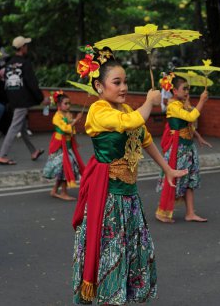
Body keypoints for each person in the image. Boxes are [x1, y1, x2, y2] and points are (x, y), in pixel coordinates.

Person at [71, 46, 188, 305]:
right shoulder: (98, 111)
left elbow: (145, 139)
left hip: (129, 199)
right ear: (99, 86)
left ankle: (119, 296)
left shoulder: (125, 110)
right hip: (108, 198)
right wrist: (149, 101)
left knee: (130, 252)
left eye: (125, 82)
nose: (123, 87)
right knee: (110, 253)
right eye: (117, 82)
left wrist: (166, 168)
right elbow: (131, 123)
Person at [155, 74, 208, 223]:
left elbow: (189, 124)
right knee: (173, 180)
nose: (187, 91)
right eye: (184, 89)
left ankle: (190, 213)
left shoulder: (182, 104)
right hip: (178, 149)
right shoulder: (173, 106)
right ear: (174, 91)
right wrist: (202, 101)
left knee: (190, 180)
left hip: (188, 147)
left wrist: (198, 137)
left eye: (188, 89)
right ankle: (162, 212)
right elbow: (191, 117)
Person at [0, 36, 49, 165]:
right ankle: (2, 155)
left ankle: (33, 151)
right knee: (15, 127)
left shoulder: (9, 63)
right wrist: (41, 99)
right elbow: (31, 84)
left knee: (22, 127)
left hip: (12, 100)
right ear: (22, 48)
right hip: (21, 101)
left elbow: (6, 82)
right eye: (26, 45)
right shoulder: (25, 64)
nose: (27, 47)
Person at [43, 91, 85, 200]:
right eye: (65, 103)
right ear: (59, 105)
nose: (68, 105)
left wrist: (75, 121)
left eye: (69, 103)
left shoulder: (68, 114)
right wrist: (76, 120)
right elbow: (65, 128)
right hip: (59, 146)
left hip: (67, 145)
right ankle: (63, 192)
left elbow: (71, 130)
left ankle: (55, 190)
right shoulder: (57, 117)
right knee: (65, 167)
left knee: (65, 167)